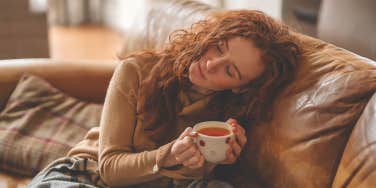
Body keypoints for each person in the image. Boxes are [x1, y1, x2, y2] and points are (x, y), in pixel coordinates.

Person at [28, 9, 300, 188]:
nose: (211, 64)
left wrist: (218, 163)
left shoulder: (230, 117)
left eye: (229, 70)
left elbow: (189, 178)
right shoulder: (135, 71)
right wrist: (165, 156)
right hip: (92, 175)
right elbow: (110, 169)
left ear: (241, 87)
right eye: (218, 47)